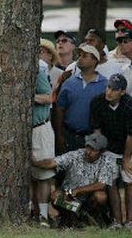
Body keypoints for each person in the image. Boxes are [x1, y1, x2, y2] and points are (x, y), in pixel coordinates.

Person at [31, 133, 115, 227]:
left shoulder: (107, 160)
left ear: (101, 151)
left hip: (88, 198)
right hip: (69, 195)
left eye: (93, 149)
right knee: (55, 197)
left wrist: (79, 190)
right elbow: (53, 162)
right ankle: (74, 217)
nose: (88, 152)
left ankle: (92, 216)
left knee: (101, 196)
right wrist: (36, 163)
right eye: (88, 147)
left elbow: (101, 184)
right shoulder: (76, 154)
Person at [90, 74, 132, 229]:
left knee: (129, 183)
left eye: (114, 89)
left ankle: (130, 222)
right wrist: (98, 152)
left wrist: (126, 159)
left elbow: (130, 135)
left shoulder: (129, 104)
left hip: (129, 148)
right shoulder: (97, 102)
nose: (109, 92)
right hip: (108, 148)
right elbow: (97, 131)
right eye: (108, 87)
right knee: (111, 182)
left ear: (122, 92)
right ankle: (117, 221)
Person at [54, 44, 107, 154]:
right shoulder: (69, 82)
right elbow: (59, 110)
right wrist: (59, 136)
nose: (80, 57)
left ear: (94, 60)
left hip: (92, 140)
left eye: (84, 55)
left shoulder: (105, 85)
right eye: (79, 55)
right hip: (68, 136)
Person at [30, 67, 55, 228]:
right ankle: (29, 212)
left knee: (43, 175)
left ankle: (44, 216)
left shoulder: (36, 70)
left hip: (40, 127)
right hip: (20, 130)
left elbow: (48, 97)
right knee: (24, 175)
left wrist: (27, 96)